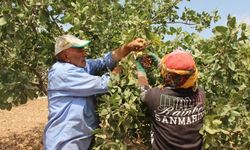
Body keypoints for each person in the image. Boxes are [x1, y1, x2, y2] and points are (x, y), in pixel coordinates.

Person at [43, 34, 147, 150]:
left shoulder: (80, 66)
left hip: (82, 140)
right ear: (66, 55)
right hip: (65, 142)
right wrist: (124, 67)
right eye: (79, 50)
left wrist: (128, 47)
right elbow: (105, 83)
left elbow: (104, 61)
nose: (84, 53)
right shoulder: (62, 72)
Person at [136, 49, 206, 150]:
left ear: (169, 77)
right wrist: (160, 64)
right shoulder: (200, 94)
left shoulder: (155, 97)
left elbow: (143, 90)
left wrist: (140, 69)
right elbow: (177, 78)